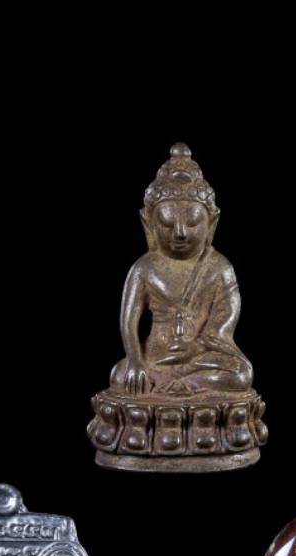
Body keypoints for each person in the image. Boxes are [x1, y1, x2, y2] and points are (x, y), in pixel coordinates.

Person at [109, 143, 253, 397]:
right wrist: (135, 359)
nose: (180, 233)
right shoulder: (144, 267)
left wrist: (200, 344)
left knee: (241, 375)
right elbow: (128, 319)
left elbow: (227, 314)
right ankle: (177, 383)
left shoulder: (219, 267)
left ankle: (181, 383)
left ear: (211, 223)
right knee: (119, 375)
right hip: (155, 359)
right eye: (167, 223)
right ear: (149, 224)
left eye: (192, 223)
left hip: (200, 356)